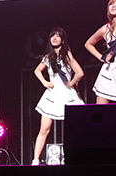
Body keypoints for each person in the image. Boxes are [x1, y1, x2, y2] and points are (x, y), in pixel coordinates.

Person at [32, 27, 84, 165]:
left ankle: (73, 158)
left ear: (63, 39)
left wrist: (71, 83)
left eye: (58, 36)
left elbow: (80, 73)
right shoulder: (48, 57)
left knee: (73, 130)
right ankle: (35, 160)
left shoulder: (67, 55)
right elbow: (37, 71)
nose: (55, 38)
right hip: (52, 94)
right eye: (52, 36)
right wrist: (45, 82)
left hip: (67, 94)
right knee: (44, 129)